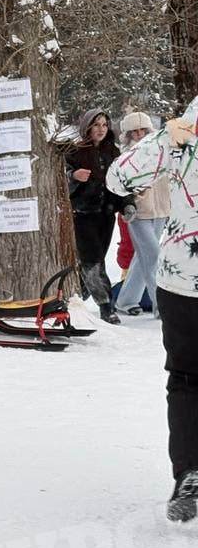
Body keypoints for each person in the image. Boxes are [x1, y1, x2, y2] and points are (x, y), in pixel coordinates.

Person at [107, 101, 198, 520]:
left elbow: (119, 175)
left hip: (181, 280)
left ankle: (190, 471)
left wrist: (164, 137)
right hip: (181, 282)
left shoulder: (182, 132)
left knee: (186, 379)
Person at [67, 109, 130, 324]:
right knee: (92, 260)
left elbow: (123, 183)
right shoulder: (74, 152)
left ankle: (77, 295)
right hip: (82, 214)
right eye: (96, 125)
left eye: (104, 125)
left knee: (97, 259)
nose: (101, 129)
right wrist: (73, 176)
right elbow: (57, 182)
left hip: (106, 214)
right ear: (87, 127)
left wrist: (127, 204)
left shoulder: (113, 152)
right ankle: (106, 305)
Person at [115, 111, 169, 317]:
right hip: (138, 213)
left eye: (142, 130)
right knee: (154, 256)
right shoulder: (124, 157)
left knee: (143, 257)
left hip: (162, 209)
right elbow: (121, 187)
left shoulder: (160, 151)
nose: (139, 134)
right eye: (134, 131)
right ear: (128, 134)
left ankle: (126, 300)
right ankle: (161, 307)